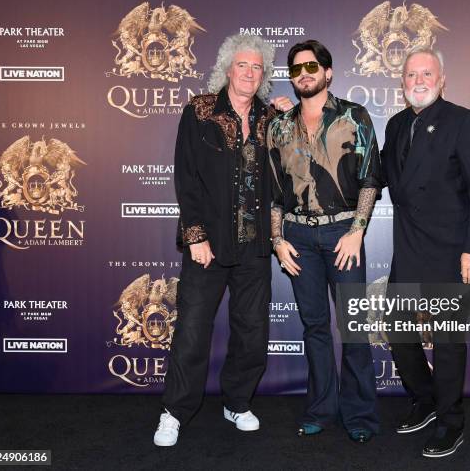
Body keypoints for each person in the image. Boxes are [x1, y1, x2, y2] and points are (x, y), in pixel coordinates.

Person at [153, 34, 277, 447]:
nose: (249, 72)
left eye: (256, 67)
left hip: (255, 246)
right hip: (207, 245)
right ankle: (174, 412)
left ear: (264, 75)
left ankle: (237, 403)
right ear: (227, 69)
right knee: (191, 331)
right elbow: (185, 178)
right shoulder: (199, 111)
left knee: (252, 331)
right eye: (242, 65)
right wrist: (195, 237)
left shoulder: (269, 118)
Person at [380, 46, 470, 457]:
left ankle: (451, 421)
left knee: (447, 343)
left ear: (441, 79)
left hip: (452, 252)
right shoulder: (395, 125)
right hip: (409, 249)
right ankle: (426, 399)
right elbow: (376, 176)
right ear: (402, 82)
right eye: (411, 75)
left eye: (426, 74)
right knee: (397, 331)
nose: (418, 81)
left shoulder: (462, 121)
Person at [268, 40, 383, 443]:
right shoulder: (278, 126)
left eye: (312, 66)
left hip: (342, 234)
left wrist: (357, 231)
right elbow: (274, 191)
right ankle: (321, 409)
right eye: (296, 69)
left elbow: (371, 177)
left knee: (353, 328)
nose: (304, 74)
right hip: (297, 237)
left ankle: (361, 417)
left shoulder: (354, 116)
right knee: (315, 327)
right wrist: (277, 240)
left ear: (328, 72)